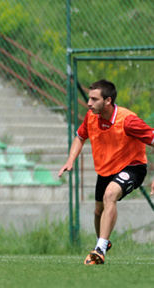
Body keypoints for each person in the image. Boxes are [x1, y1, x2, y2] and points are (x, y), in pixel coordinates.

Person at [58, 79, 154, 265]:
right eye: (89, 98)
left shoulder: (128, 120)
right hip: (105, 170)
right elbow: (80, 137)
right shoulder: (91, 117)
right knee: (98, 212)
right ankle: (102, 243)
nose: (89, 103)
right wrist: (70, 160)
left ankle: (99, 250)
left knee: (110, 195)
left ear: (108, 101)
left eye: (94, 99)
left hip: (132, 167)